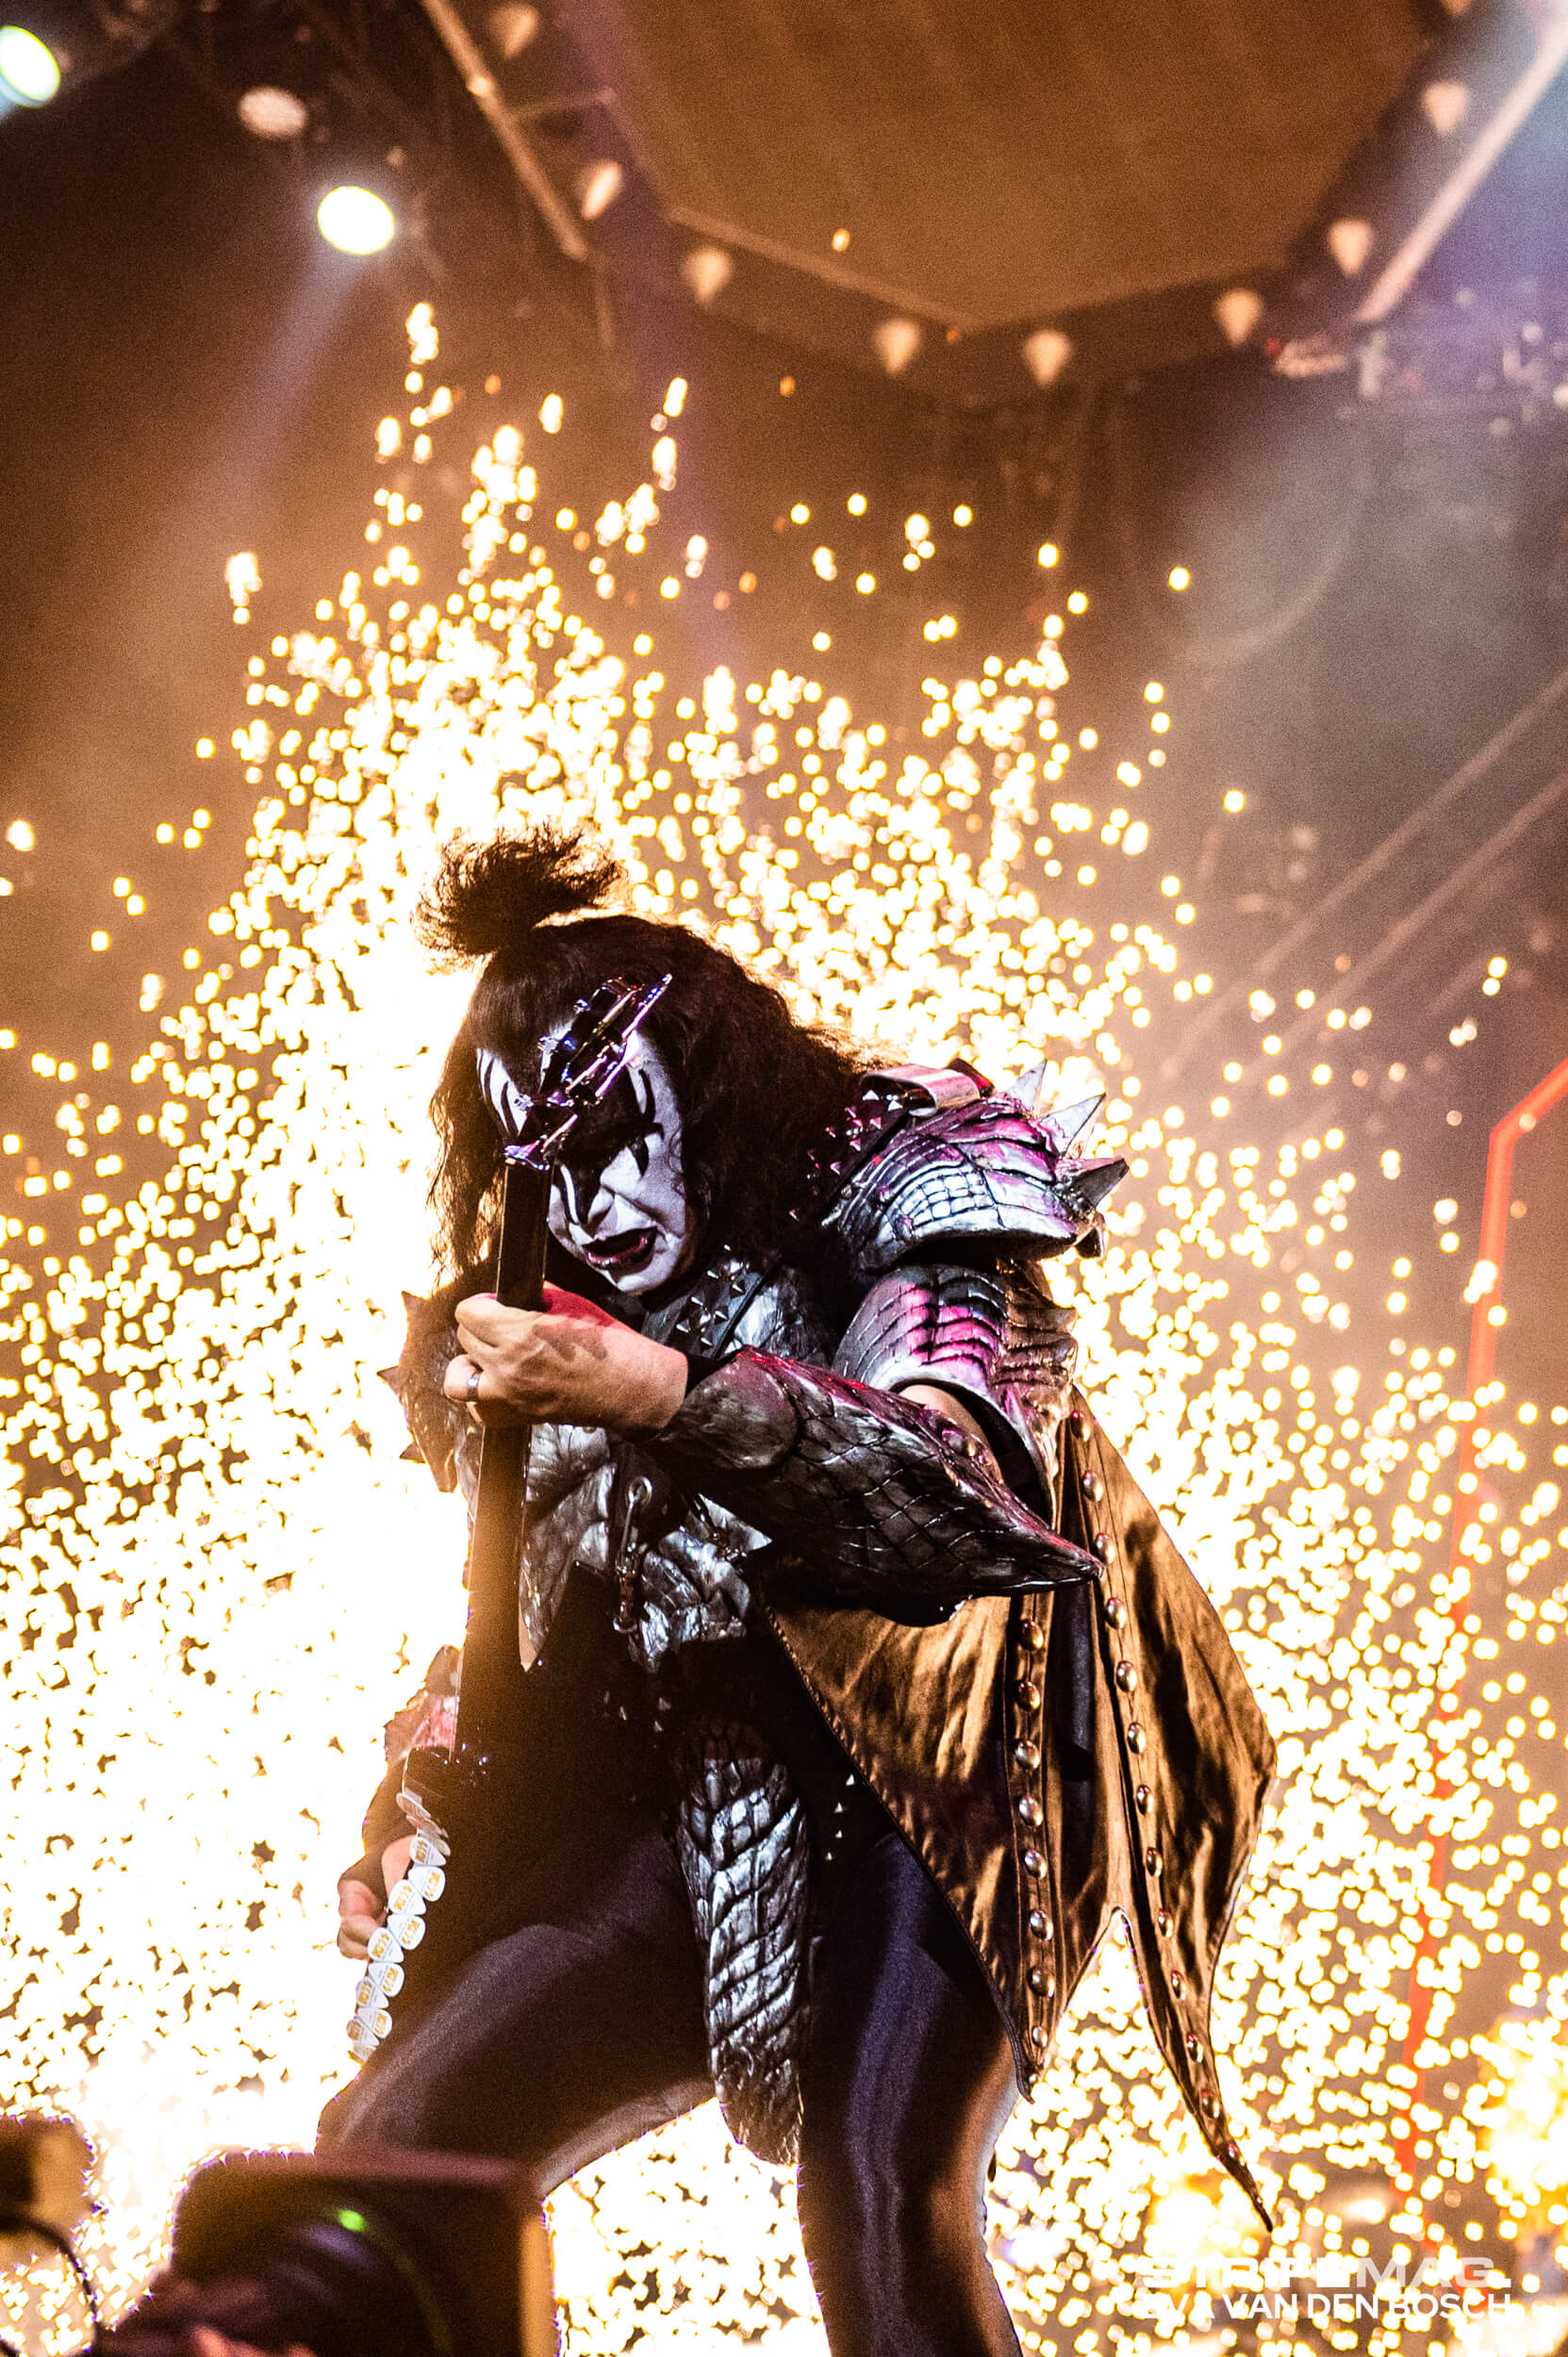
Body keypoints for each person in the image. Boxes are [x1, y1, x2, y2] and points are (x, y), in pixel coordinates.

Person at [318, 829, 1275, 2357]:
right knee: (391, 2144)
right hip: (701, 1782)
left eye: (625, 1131)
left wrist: (668, 1391)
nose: (599, 1196)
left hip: (960, 1768)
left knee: (882, 2187)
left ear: (707, 1090)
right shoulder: (539, 1330)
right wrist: (420, 1800)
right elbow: (538, 1638)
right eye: (550, 1162)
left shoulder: (908, 1191)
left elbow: (957, 1505)